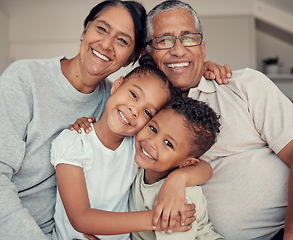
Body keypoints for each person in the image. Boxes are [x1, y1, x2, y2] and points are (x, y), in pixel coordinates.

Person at [0, 0, 230, 238]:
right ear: (85, 29)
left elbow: (181, 146)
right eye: (101, 28)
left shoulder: (122, 112)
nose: (106, 44)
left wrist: (200, 69)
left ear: (133, 57)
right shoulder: (24, 79)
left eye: (122, 41)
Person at [142, 1, 293, 239]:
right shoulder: (143, 113)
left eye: (188, 37)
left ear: (202, 48)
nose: (178, 50)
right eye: (164, 40)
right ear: (148, 54)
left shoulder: (245, 86)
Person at [51, 61, 206, 240]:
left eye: (147, 112)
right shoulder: (74, 142)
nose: (135, 110)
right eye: (134, 95)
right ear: (117, 85)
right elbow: (80, 218)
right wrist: (157, 219)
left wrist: (178, 179)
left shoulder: (138, 146)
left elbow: (203, 168)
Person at [129, 96, 224, 240]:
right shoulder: (140, 161)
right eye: (153, 128)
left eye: (168, 143)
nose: (151, 142)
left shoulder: (182, 201)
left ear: (187, 163)